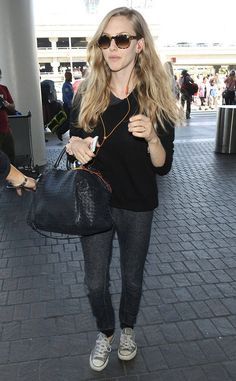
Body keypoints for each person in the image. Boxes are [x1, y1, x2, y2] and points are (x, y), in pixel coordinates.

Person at [66, 7, 180, 372]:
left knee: (132, 278)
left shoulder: (156, 99)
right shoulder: (88, 93)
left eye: (122, 39)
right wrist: (74, 146)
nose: (112, 47)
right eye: (105, 40)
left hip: (137, 203)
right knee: (94, 283)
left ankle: (128, 329)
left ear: (139, 45)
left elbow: (163, 165)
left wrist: (151, 138)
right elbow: (69, 134)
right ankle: (106, 332)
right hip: (94, 201)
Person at [0, 68, 16, 163]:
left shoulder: (4, 88)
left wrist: (7, 105)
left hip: (6, 129)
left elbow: (13, 107)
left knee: (10, 156)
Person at [56, 71, 74, 140]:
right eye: (70, 76)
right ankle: (60, 131)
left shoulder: (69, 84)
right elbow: (66, 98)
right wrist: (70, 106)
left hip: (70, 105)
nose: (71, 77)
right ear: (66, 77)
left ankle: (61, 132)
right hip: (67, 106)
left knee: (69, 121)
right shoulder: (66, 85)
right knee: (70, 121)